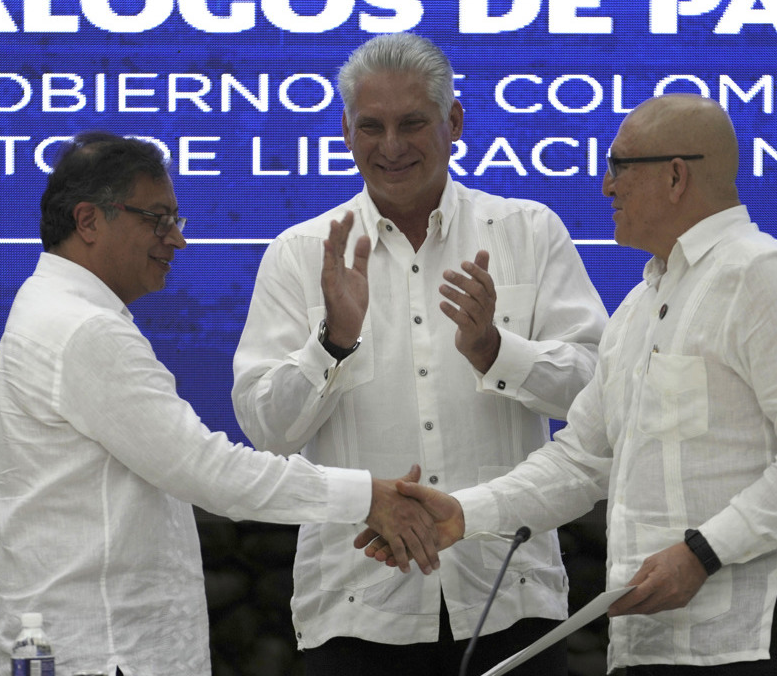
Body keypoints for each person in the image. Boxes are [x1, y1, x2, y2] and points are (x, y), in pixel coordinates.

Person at [368, 94, 777, 674]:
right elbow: (580, 461)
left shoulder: (760, 276)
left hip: (753, 641)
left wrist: (703, 553)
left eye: (618, 166)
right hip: (647, 645)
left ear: (677, 175)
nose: (606, 187)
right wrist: (463, 513)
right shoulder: (636, 307)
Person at [0, 131, 442, 676]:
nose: (175, 241)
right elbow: (207, 470)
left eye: (175, 221)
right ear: (87, 221)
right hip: (106, 652)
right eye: (157, 219)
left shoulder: (52, 308)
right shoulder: (83, 329)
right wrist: (365, 495)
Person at [232, 33, 609, 675]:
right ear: (346, 131)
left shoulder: (527, 231)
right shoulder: (301, 254)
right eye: (371, 126)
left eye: (413, 123)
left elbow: (601, 395)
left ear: (454, 122)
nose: (392, 146)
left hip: (507, 598)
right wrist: (332, 344)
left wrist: (496, 351)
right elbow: (267, 430)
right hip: (356, 606)